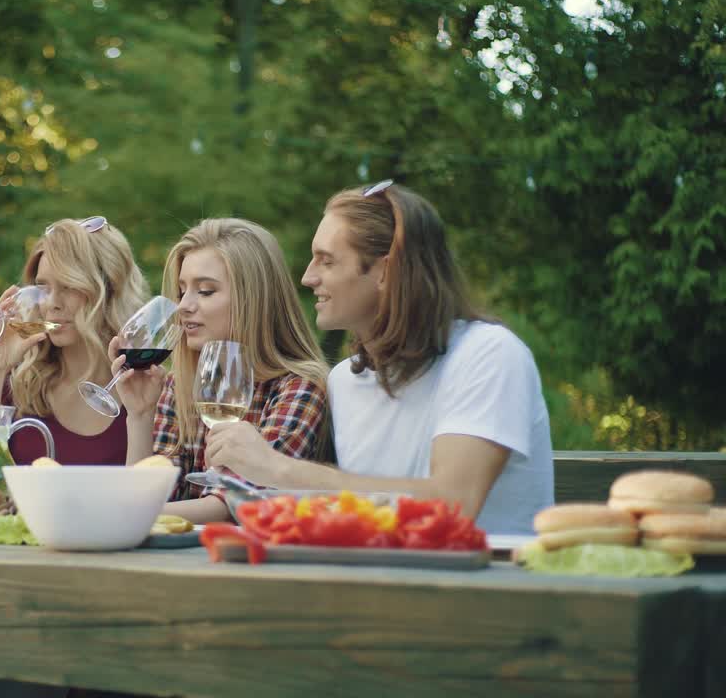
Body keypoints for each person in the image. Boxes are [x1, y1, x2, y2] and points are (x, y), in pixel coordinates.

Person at [275, 180, 552, 534]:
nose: (307, 277)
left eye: (326, 261)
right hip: (382, 582)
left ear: (385, 272)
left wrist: (283, 471)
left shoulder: (490, 354)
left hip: (487, 583)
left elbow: (453, 504)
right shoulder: (344, 381)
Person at [115, 218, 330, 524]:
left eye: (205, 291)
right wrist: (139, 416)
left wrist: (117, 512)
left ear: (252, 298)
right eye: (181, 291)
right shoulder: (177, 385)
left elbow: (237, 502)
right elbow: (152, 496)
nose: (183, 306)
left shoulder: (299, 388)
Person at [0, 216, 149, 466]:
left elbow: (148, 499)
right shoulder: (18, 384)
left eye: (68, 286)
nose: (50, 303)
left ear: (109, 291)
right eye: (43, 287)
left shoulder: (145, 391)